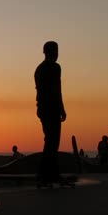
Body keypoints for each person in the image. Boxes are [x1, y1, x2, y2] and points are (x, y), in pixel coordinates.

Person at [34, 41, 67, 184]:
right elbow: (56, 90)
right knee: (52, 143)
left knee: (50, 142)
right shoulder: (54, 68)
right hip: (51, 109)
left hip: (43, 109)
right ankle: (46, 174)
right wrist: (61, 108)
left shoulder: (39, 69)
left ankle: (49, 174)